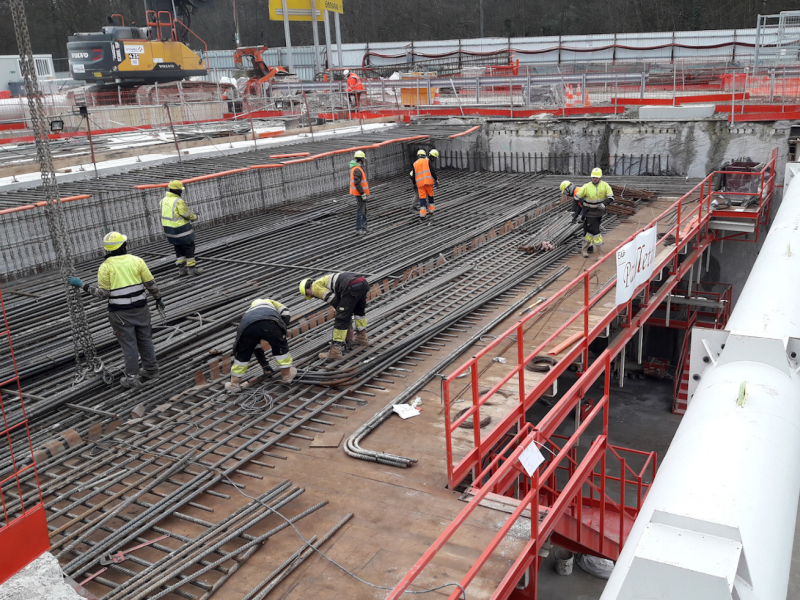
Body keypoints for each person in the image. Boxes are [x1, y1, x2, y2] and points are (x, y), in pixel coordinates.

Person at [69, 232, 163, 389]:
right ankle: (151, 370)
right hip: (141, 309)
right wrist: (158, 298)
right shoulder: (137, 261)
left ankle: (132, 378)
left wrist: (82, 285)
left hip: (120, 314)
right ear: (124, 245)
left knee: (129, 345)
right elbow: (150, 284)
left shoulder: (106, 267)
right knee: (145, 339)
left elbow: (103, 294)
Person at [226, 298, 297, 393]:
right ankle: (286, 375)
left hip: (247, 326)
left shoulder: (249, 312)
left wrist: (265, 366)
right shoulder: (273, 303)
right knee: (280, 349)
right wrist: (280, 331)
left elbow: (255, 346)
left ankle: (234, 384)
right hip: (271, 323)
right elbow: (286, 313)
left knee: (242, 354)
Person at [299, 273, 369, 361]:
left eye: (308, 294)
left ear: (308, 288)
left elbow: (334, 300)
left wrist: (340, 310)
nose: (311, 296)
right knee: (359, 312)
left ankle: (335, 351)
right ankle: (362, 337)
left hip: (351, 286)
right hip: (363, 283)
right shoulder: (323, 281)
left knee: (341, 319)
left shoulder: (315, 287)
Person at [160, 180, 204, 275]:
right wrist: (194, 217)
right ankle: (192, 269)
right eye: (180, 190)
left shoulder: (163, 200)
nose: (181, 192)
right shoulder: (178, 201)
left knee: (178, 247)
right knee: (189, 247)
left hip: (169, 231)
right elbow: (186, 213)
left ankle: (182, 269)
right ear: (176, 190)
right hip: (181, 229)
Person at [575, 168, 615, 258]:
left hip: (599, 212)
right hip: (589, 212)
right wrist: (581, 208)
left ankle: (584, 250)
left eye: (596, 178)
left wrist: (604, 204)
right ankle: (600, 253)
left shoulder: (605, 186)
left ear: (600, 178)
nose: (594, 179)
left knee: (590, 231)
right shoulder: (586, 186)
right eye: (593, 177)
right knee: (596, 231)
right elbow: (577, 197)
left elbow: (611, 197)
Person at [560, 180, 592, 254]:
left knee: (587, 230)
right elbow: (579, 207)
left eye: (566, 192)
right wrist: (574, 216)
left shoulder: (578, 193)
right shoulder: (576, 193)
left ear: (568, 189)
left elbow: (585, 207)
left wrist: (582, 218)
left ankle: (589, 249)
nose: (567, 195)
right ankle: (589, 248)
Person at [350, 150, 370, 235]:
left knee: (364, 210)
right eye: (363, 159)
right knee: (360, 211)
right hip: (359, 194)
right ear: (361, 159)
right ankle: (359, 229)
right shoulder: (357, 169)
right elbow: (357, 183)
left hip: (360, 193)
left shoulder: (356, 168)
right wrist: (362, 193)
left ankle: (364, 227)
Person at [411, 149, 436, 218]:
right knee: (430, 196)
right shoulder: (427, 161)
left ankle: (422, 215)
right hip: (428, 182)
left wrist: (414, 184)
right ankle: (431, 211)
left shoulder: (415, 163)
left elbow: (413, 175)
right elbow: (432, 171)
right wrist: (436, 180)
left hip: (420, 184)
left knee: (422, 198)